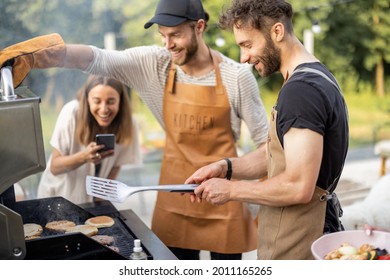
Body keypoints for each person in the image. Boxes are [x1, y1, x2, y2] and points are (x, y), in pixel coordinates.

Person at [0, 0, 269, 260]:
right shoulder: (155, 64)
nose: (168, 45)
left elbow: (265, 144)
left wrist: (260, 197)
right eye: (163, 36)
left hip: (222, 197)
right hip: (174, 201)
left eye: (175, 35)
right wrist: (45, 54)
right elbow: (98, 59)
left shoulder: (237, 77)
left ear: (199, 27)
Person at [185, 0, 349, 260]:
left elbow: (299, 185)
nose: (244, 58)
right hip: (295, 235)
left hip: (301, 244)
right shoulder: (313, 76)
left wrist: (231, 191)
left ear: (277, 32)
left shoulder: (301, 91)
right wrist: (226, 168)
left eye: (248, 45)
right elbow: (274, 154)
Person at [37, 75, 141, 205]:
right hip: (59, 198)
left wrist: (99, 202)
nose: (104, 109)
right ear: (87, 100)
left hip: (91, 201)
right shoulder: (72, 112)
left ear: (120, 101)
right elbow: (55, 167)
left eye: (111, 101)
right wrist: (84, 157)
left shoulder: (129, 123)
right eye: (97, 101)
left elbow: (115, 167)